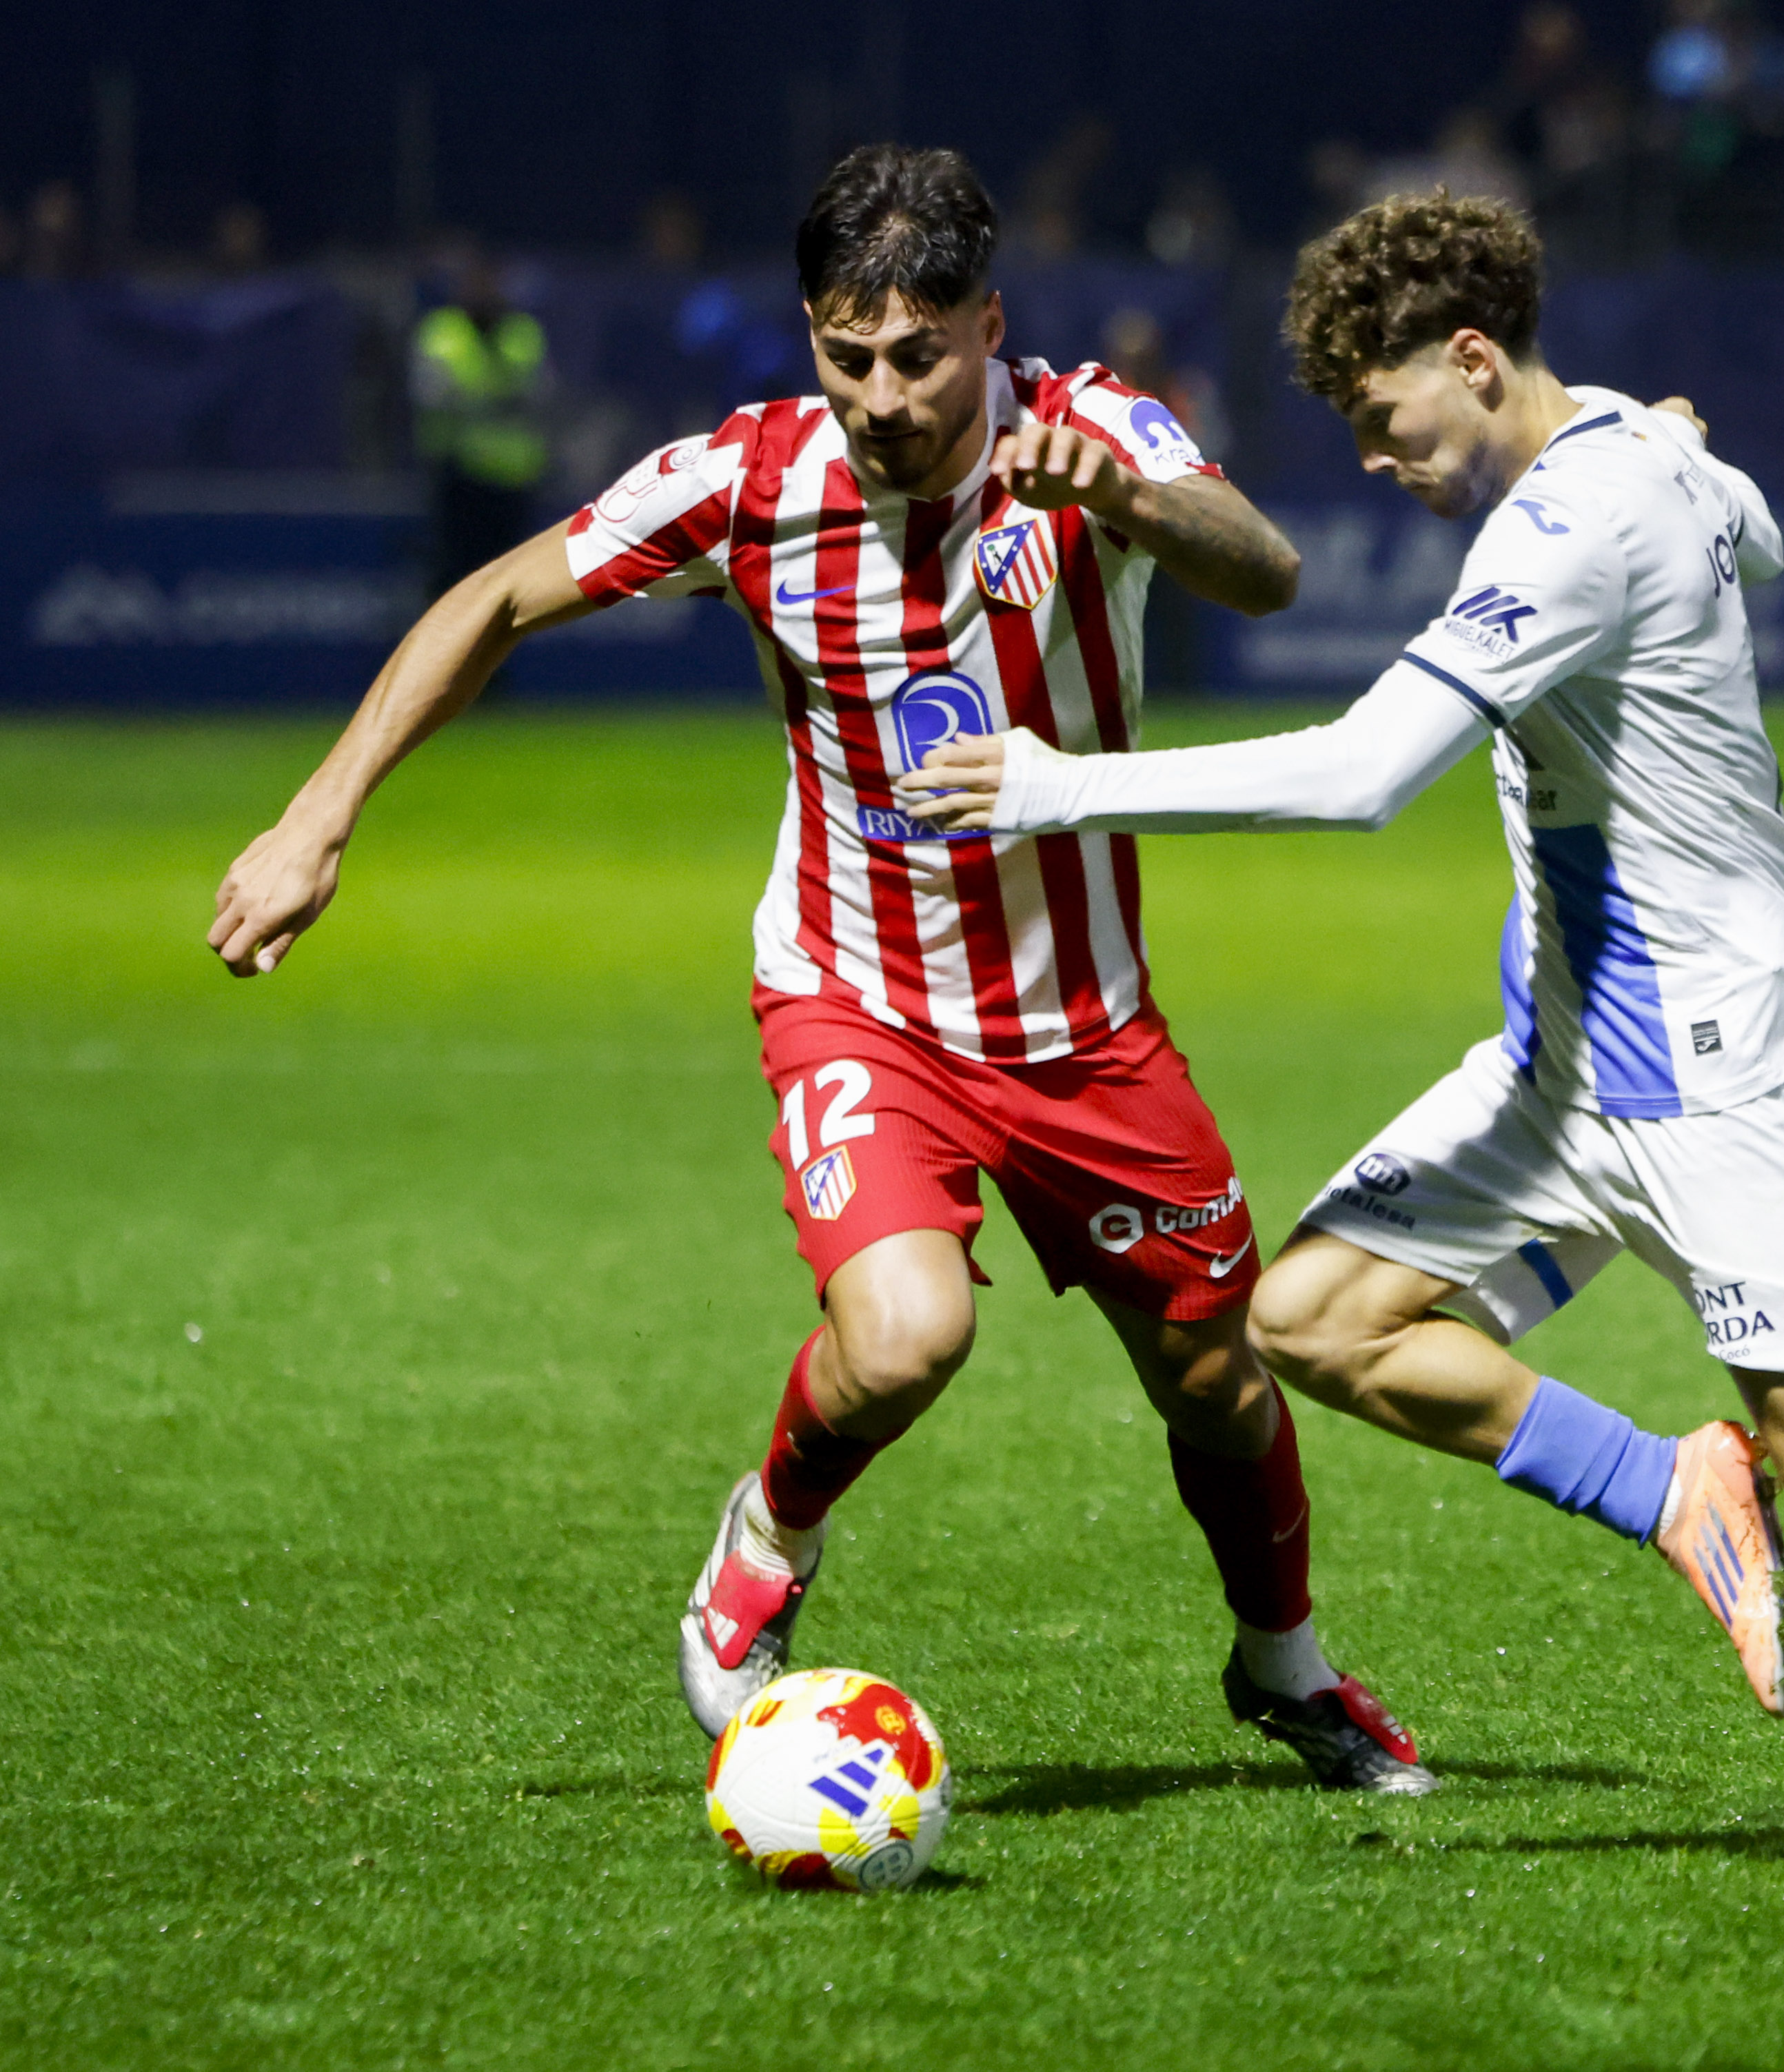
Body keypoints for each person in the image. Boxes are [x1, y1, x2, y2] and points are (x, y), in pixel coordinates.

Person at [900, 191, 1784, 1874]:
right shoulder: (1624, 452)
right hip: (1566, 1060)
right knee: (1312, 1318)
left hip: (1725, 1067)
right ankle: (1672, 1488)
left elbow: (1366, 775)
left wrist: (1051, 785)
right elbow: (1762, 536)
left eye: (1383, 420)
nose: (1374, 457)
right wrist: (1677, 453)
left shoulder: (1577, 516)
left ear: (1470, 358)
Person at [204, 145, 1435, 1798]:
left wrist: (1128, 499)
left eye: (920, 356)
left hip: (1083, 1025)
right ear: (812, 339)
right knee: (907, 1333)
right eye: (847, 356)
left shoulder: (1090, 424)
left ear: (988, 327)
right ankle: (770, 1531)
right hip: (857, 996)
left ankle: (1284, 1666)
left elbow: (1265, 567)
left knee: (1219, 1379)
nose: (882, 395)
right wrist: (317, 817)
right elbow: (500, 593)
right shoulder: (750, 477)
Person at [412, 250, 551, 592]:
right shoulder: (442, 332)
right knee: (457, 582)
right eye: (474, 283)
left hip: (516, 480)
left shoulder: (522, 332)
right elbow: (431, 397)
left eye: (490, 282)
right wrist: (498, 399)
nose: (483, 291)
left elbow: (544, 395)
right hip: (462, 479)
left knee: (510, 586)